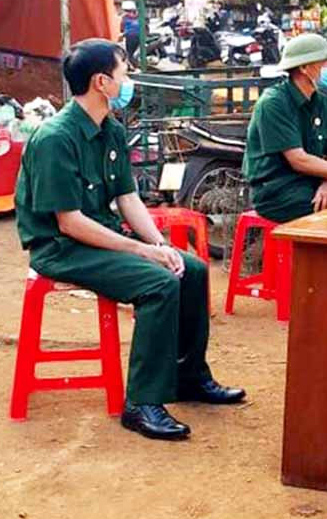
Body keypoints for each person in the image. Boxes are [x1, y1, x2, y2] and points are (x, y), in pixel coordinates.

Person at [14, 39, 245, 442]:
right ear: (102, 82)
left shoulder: (111, 130)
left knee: (188, 268)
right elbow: (69, 223)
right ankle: (141, 403)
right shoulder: (55, 138)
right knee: (158, 283)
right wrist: (141, 250)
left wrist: (161, 244)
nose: (130, 79)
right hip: (62, 248)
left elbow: (127, 198)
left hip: (99, 238)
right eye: (125, 71)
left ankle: (189, 377)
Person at [243, 33, 327, 223]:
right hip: (277, 190)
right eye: (324, 62)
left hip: (311, 180)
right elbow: (299, 160)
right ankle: (322, 252)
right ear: (305, 68)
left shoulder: (322, 102)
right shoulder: (274, 103)